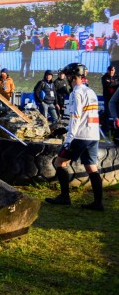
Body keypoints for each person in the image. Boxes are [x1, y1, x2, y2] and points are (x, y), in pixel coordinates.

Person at [45, 63, 103, 211]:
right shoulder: (91, 92)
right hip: (93, 135)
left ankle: (65, 197)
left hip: (80, 136)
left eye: (68, 75)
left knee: (59, 163)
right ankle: (98, 203)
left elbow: (76, 116)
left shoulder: (75, 93)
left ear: (71, 76)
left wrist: (69, 138)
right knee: (91, 168)